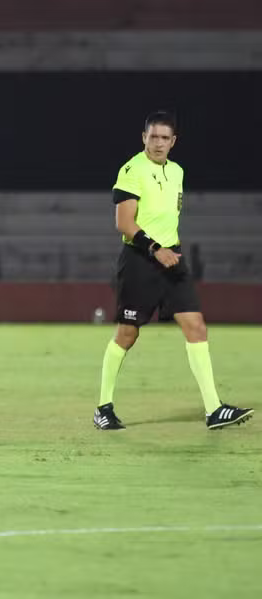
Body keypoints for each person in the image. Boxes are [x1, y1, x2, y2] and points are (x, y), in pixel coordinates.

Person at [93, 111, 251, 431]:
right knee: (127, 333)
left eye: (165, 138)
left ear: (173, 141)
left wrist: (168, 250)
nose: (158, 143)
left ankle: (213, 410)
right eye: (153, 136)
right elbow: (124, 223)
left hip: (173, 259)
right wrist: (155, 248)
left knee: (196, 326)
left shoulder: (177, 171)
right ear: (144, 137)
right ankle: (103, 408)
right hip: (140, 260)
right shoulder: (131, 170)